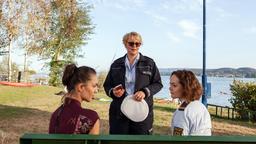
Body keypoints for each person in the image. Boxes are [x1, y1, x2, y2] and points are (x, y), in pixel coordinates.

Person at [103, 31, 163, 134]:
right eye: (131, 43)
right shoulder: (116, 64)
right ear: (125, 44)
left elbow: (158, 84)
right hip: (119, 114)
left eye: (137, 43)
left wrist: (145, 92)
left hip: (141, 113)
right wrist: (113, 92)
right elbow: (107, 85)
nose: (134, 46)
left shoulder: (149, 63)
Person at [49, 64, 100, 134]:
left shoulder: (56, 114)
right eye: (94, 86)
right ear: (81, 87)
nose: (96, 90)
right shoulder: (91, 118)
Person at [169, 70, 212, 136]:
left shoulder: (183, 111)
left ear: (185, 87)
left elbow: (178, 139)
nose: (170, 88)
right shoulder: (201, 107)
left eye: (174, 85)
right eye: (170, 84)